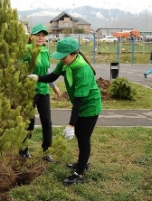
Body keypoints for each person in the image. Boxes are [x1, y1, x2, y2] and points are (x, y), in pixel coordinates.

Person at [29, 37, 102, 185]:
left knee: (83, 138)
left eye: (64, 56)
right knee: (80, 137)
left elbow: (79, 101)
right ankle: (82, 163)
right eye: (60, 56)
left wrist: (70, 125)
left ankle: (79, 173)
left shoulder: (83, 70)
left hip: (90, 106)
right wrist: (37, 77)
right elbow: (52, 76)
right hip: (80, 104)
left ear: (74, 54)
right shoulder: (66, 63)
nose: (61, 59)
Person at [20, 24, 61, 162]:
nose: (41, 37)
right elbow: (17, 69)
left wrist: (53, 86)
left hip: (43, 91)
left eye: (43, 35)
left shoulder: (44, 50)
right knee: (29, 123)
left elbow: (47, 71)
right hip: (28, 92)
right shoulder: (26, 50)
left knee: (47, 122)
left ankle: (46, 151)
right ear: (31, 36)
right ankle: (23, 150)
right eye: (38, 35)